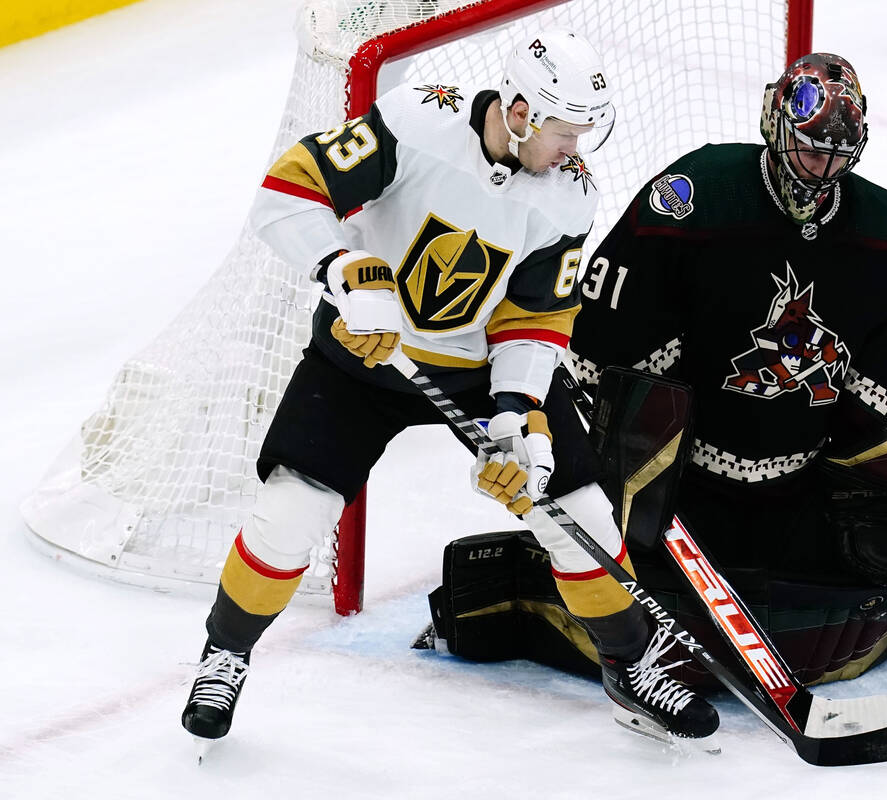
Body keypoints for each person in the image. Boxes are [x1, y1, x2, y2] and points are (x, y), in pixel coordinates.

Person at [180, 29, 719, 753]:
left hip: (476, 371)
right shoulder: (416, 120)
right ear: (522, 111)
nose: (574, 149)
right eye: (563, 131)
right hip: (363, 359)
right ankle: (226, 655)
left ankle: (630, 667)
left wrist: (516, 415)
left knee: (579, 514)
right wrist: (345, 271)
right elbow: (286, 194)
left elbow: (535, 319)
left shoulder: (569, 194)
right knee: (290, 513)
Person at [423, 53, 887, 691]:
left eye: (839, 156)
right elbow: (599, 353)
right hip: (675, 489)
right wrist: (632, 477)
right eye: (810, 150)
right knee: (625, 598)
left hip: (799, 484)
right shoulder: (694, 199)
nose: (823, 170)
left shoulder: (884, 233)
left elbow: (868, 402)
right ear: (774, 123)